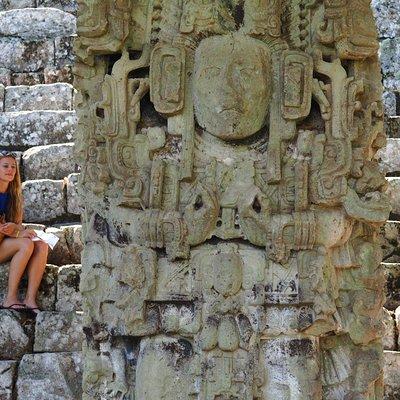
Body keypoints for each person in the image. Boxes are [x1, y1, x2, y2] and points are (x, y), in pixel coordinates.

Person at [0, 151, 48, 313]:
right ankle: (10, 298)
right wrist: (18, 233)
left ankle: (30, 299)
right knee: (26, 244)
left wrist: (22, 230)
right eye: (5, 166)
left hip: (4, 242)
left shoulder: (14, 196)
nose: (10, 170)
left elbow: (16, 225)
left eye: (13, 167)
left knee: (41, 244)